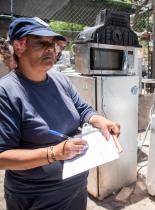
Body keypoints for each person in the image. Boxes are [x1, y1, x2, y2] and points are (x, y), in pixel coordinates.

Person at [0, 17, 120, 210]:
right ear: (20, 46)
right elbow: (2, 157)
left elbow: (83, 109)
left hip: (75, 187)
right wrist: (54, 153)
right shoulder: (6, 93)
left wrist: (99, 120)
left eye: (53, 44)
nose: (50, 49)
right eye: (41, 43)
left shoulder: (60, 79)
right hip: (38, 197)